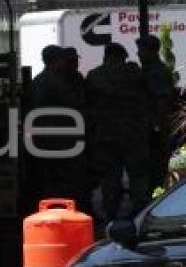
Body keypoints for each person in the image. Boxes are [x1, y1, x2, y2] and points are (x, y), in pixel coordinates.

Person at [86, 42, 151, 222]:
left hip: (105, 135)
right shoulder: (135, 73)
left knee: (110, 176)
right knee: (138, 174)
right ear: (123, 56)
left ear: (106, 56)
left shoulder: (94, 75)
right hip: (133, 133)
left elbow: (87, 103)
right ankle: (140, 211)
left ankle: (111, 213)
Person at [28, 45, 88, 209]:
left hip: (43, 137)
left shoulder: (38, 80)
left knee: (48, 177)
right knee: (68, 178)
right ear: (57, 60)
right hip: (61, 138)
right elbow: (74, 104)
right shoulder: (56, 81)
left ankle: (50, 207)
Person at [136, 35, 177, 191]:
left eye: (141, 50)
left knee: (156, 167)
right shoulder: (150, 70)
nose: (138, 54)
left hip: (155, 128)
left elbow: (162, 102)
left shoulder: (156, 72)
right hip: (152, 126)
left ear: (150, 51)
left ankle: (154, 199)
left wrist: (157, 127)